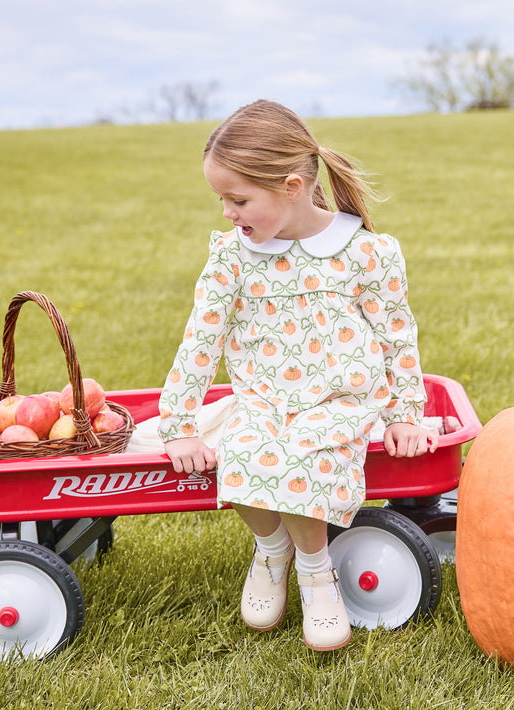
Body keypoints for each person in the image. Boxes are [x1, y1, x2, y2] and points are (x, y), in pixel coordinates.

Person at [156, 99, 437, 651]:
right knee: (241, 449)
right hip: (264, 398)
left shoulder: (364, 253)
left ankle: (317, 570)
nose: (227, 213)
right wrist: (179, 423)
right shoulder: (232, 259)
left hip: (341, 400)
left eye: (237, 199)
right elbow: (201, 341)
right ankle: (272, 549)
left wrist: (405, 415)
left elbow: (396, 335)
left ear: (290, 186)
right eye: (221, 200)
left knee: (307, 454)